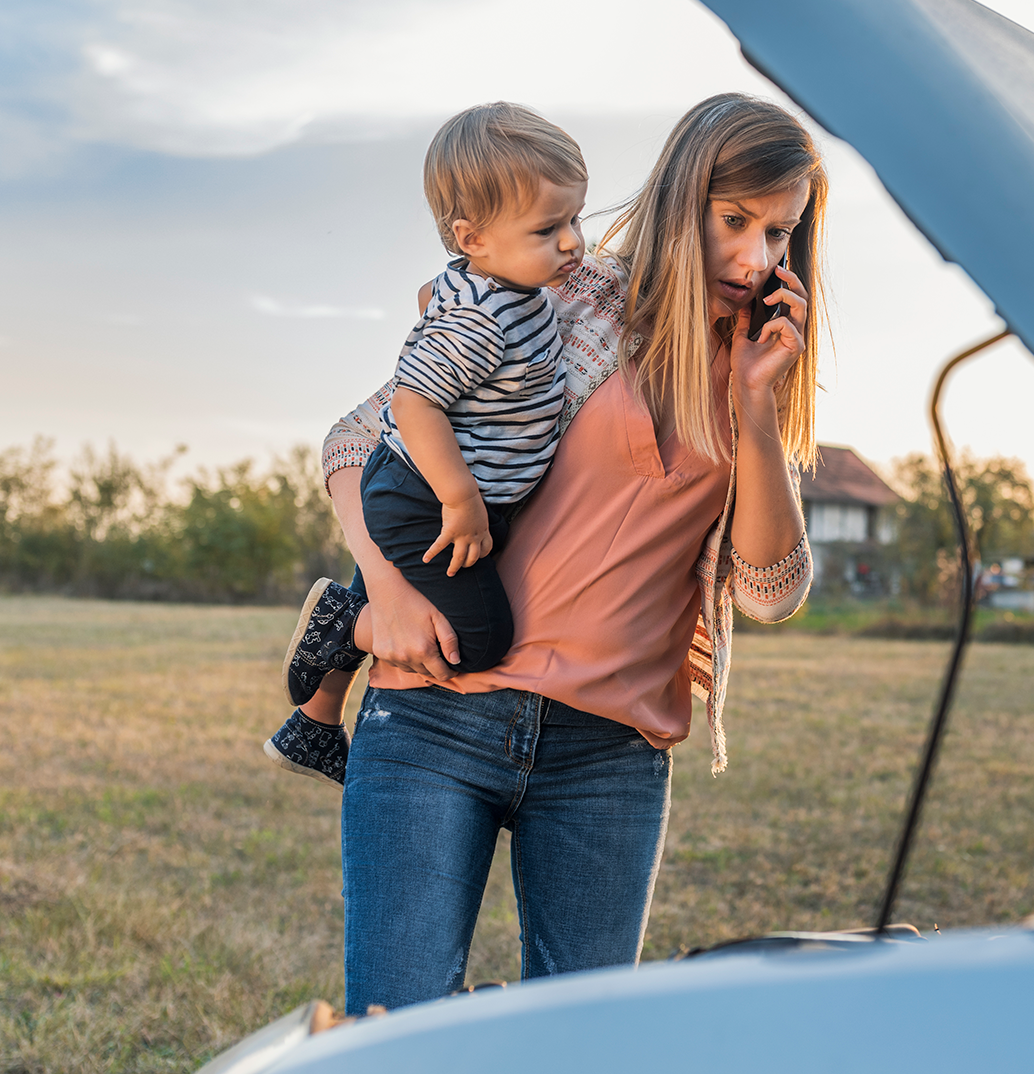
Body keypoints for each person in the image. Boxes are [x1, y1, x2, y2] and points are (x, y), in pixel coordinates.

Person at [309, 93, 824, 1012]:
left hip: (610, 756)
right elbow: (356, 440)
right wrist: (384, 593)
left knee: (579, 1051)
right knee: (396, 1038)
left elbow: (771, 589)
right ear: (681, 201)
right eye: (735, 221)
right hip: (436, 720)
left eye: (780, 234)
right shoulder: (568, 296)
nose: (757, 259)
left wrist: (752, 411)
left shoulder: (759, 369)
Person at [265, 103, 587, 786]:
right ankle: (347, 622)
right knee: (479, 640)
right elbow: (413, 402)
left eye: (574, 220)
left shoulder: (509, 284)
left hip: (433, 494)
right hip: (425, 496)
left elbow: (434, 295)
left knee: (432, 588)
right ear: (472, 238)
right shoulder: (483, 317)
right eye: (548, 228)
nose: (572, 243)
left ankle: (314, 725)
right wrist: (461, 497)